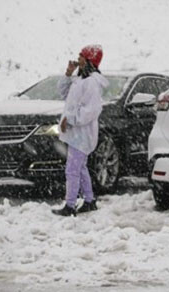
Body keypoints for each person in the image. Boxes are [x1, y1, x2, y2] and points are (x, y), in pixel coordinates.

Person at [52, 44, 107, 217]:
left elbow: (91, 110)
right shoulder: (81, 79)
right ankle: (89, 201)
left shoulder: (91, 82)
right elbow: (62, 93)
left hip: (83, 134)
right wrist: (68, 73)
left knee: (72, 169)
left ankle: (70, 205)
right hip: (76, 133)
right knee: (80, 167)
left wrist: (71, 120)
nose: (78, 58)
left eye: (81, 55)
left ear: (89, 59)